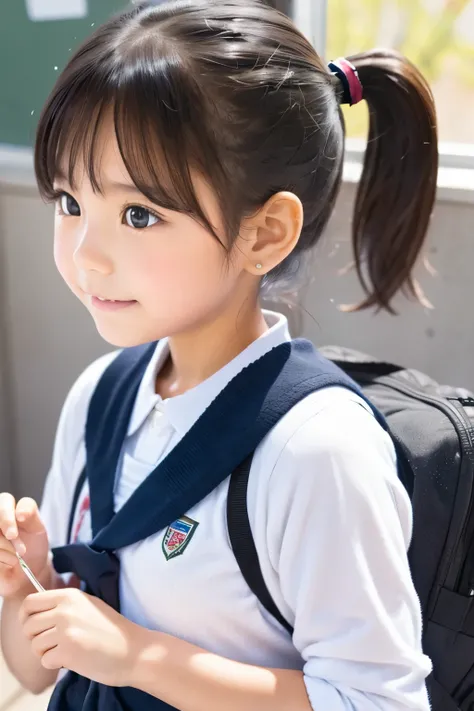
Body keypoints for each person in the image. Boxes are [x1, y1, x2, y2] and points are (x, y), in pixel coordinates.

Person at [0, 1, 438, 709]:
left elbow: (377, 700)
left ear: (265, 233)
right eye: (69, 200)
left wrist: (138, 655)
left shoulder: (317, 451)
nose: (87, 254)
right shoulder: (100, 397)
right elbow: (40, 671)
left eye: (138, 214)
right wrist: (31, 587)